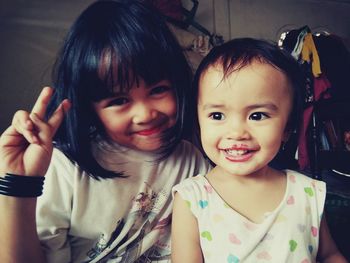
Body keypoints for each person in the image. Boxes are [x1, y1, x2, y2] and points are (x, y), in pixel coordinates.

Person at [0, 1, 211, 262]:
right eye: (119, 101)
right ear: (90, 108)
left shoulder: (191, 160)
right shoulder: (63, 168)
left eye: (158, 90)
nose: (145, 114)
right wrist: (18, 185)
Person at [171, 38, 347, 262]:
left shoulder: (306, 192)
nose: (236, 132)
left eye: (257, 115)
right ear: (198, 121)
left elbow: (329, 254)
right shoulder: (191, 199)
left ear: (288, 127)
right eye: (217, 116)